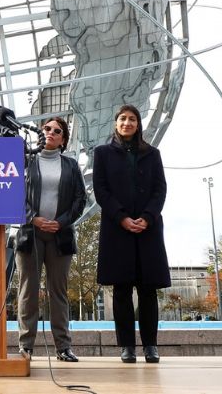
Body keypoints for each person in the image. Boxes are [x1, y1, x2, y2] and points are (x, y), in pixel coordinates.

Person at [91, 104, 169, 363]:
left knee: (148, 290)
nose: (127, 123)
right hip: (117, 229)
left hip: (148, 230)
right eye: (123, 118)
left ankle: (150, 345)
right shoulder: (102, 153)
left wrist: (147, 217)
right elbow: (101, 190)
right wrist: (122, 217)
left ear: (138, 124)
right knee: (122, 289)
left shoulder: (153, 154)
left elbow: (160, 189)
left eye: (132, 119)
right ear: (116, 123)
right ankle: (127, 346)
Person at [13, 116, 87, 362]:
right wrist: (33, 218)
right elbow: (13, 194)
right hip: (30, 235)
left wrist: (61, 222)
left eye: (57, 131)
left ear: (63, 139)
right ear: (40, 132)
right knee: (28, 291)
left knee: (58, 292)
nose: (51, 133)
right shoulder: (25, 161)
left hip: (60, 236)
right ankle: (26, 346)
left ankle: (63, 347)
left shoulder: (71, 165)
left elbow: (80, 199)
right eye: (47, 128)